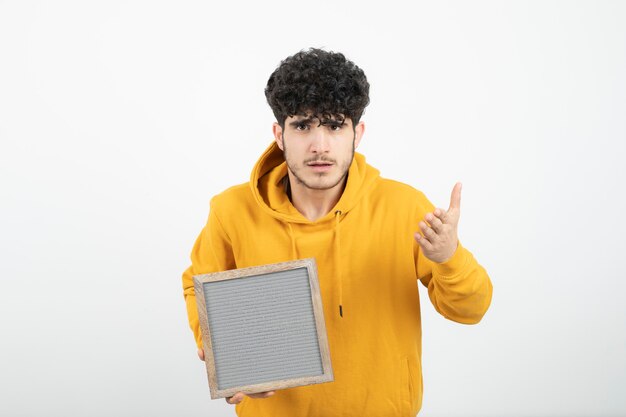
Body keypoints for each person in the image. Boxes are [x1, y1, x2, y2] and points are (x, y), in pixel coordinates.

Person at [182, 47, 493, 417]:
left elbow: (471, 310)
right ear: (279, 134)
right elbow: (200, 288)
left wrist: (449, 257)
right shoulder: (232, 211)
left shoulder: (404, 206)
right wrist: (228, 360)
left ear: (356, 133)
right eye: (302, 126)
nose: (320, 145)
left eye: (334, 125)